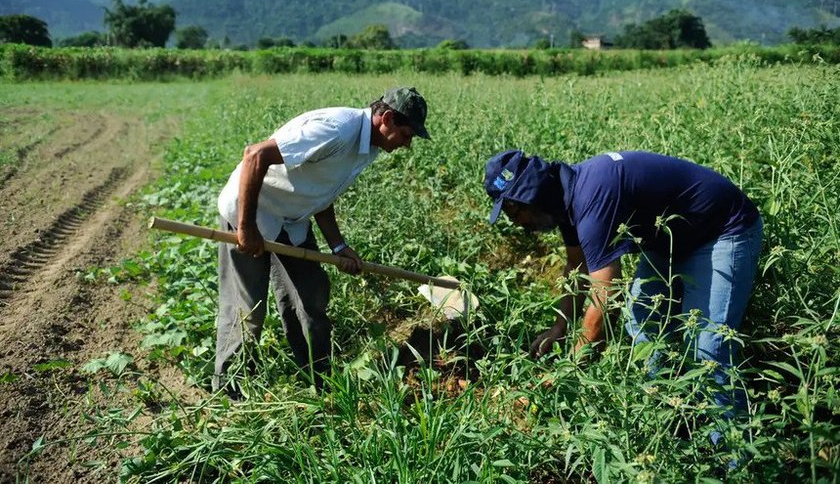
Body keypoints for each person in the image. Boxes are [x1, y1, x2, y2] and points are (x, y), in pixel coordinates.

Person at [483, 149, 763, 419]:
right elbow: (576, 267)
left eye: (512, 212)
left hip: (723, 230)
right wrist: (560, 326)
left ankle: (731, 455)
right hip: (669, 237)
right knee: (642, 322)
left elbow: (606, 297)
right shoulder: (564, 199)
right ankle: (662, 413)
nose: (516, 222)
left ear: (528, 197)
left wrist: (566, 372)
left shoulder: (592, 198)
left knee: (708, 350)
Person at [214, 86, 430, 394]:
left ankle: (319, 381)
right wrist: (246, 227)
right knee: (248, 310)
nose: (408, 144)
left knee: (311, 298)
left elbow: (322, 192)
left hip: (292, 220)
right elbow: (255, 155)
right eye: (407, 134)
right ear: (388, 119)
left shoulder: (367, 148)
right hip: (251, 212)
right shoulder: (337, 130)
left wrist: (339, 246)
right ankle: (228, 390)